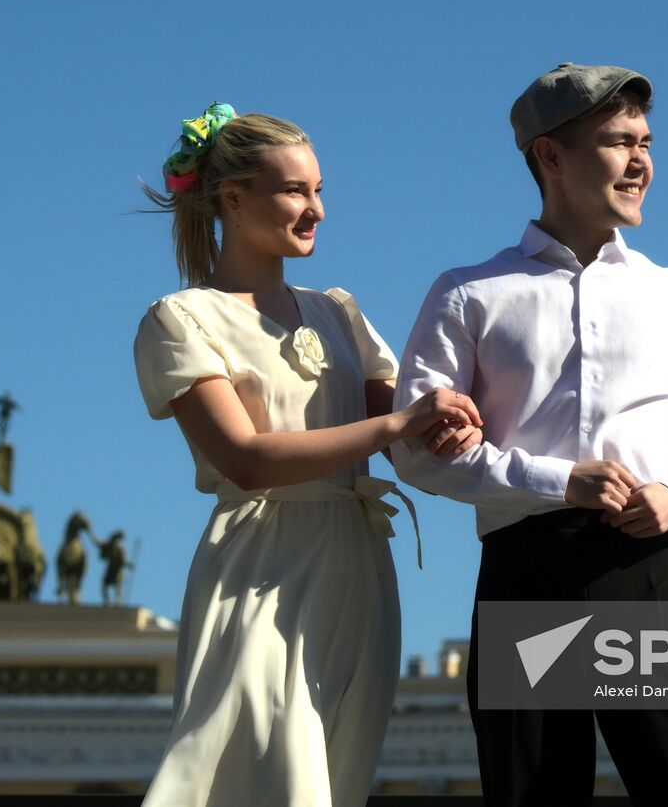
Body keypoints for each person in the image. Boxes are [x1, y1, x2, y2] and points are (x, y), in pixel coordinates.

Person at [392, 64, 668, 806]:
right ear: (549, 157)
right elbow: (413, 450)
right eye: (617, 142)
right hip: (523, 580)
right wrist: (557, 481)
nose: (641, 162)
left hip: (645, 578)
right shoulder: (468, 294)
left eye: (646, 142)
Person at [132, 103, 484, 807]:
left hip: (358, 569)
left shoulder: (338, 312)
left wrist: (454, 425)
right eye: (296, 190)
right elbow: (247, 459)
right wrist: (402, 425)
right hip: (258, 570)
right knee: (269, 774)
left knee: (334, 777)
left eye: (319, 190)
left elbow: (407, 418)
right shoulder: (181, 320)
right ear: (232, 199)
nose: (316, 208)